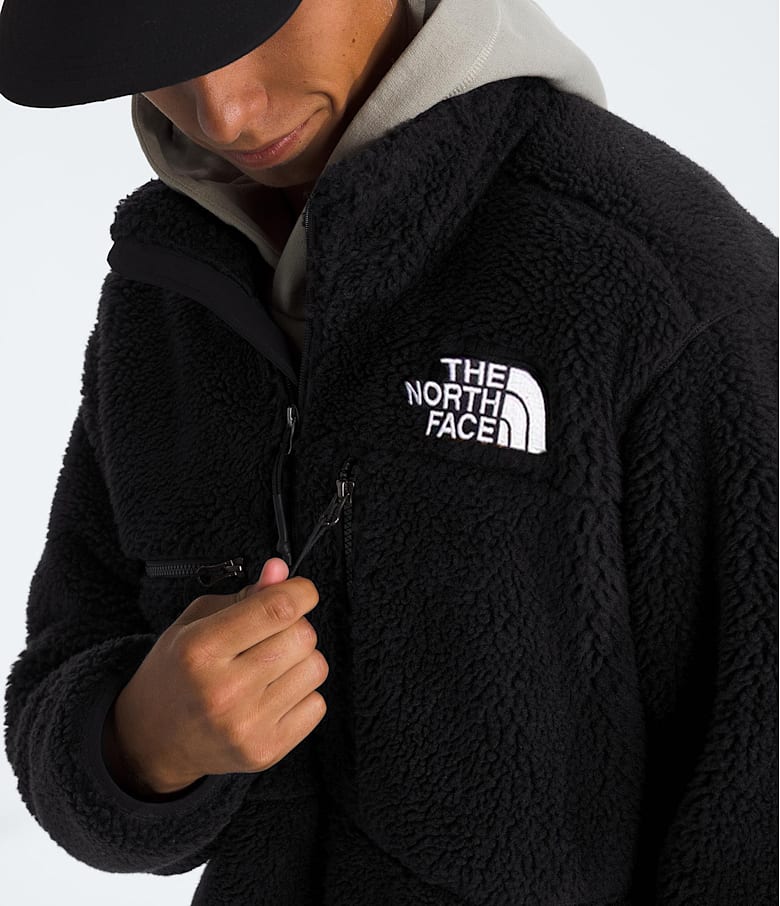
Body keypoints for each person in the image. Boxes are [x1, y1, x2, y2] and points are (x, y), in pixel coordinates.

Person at [1, 0, 777, 903]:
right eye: (158, 55)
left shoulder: (672, 289)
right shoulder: (170, 281)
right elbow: (66, 656)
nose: (224, 114)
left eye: (248, 30)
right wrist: (138, 747)